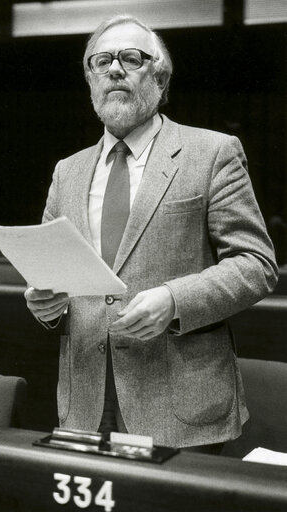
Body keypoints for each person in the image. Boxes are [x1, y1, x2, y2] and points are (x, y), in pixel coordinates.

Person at [25, 15, 278, 452]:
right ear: (90, 81)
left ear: (160, 79)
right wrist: (44, 302)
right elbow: (53, 275)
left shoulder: (212, 153)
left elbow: (256, 265)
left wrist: (174, 300)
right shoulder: (67, 172)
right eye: (101, 61)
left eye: (131, 58)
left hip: (180, 409)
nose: (115, 69)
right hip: (84, 404)